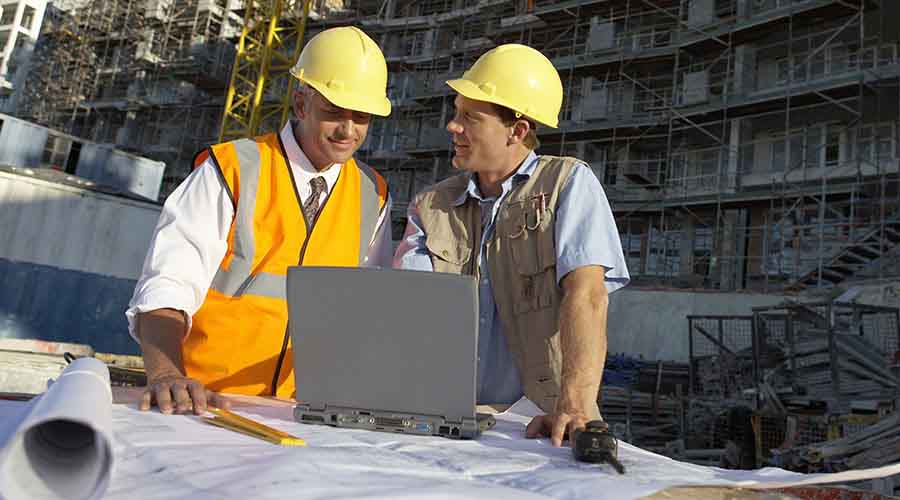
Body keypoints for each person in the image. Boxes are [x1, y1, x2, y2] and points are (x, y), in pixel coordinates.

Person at [127, 26, 393, 415]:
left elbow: (365, 313)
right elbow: (167, 286)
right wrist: (166, 374)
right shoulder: (232, 169)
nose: (349, 130)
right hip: (202, 406)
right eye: (334, 112)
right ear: (301, 104)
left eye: (362, 117)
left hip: (305, 415)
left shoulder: (373, 193)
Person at [393, 44, 630, 447]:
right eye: (456, 113)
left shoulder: (567, 185)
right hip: (444, 423)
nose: (453, 126)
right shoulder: (430, 205)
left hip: (542, 425)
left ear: (517, 131)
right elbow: (406, 308)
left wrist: (575, 404)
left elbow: (588, 296)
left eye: (470, 117)